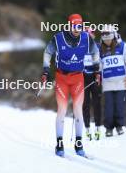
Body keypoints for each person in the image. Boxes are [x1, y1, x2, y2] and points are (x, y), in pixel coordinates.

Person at [42, 14, 99, 157]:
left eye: (80, 26)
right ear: (69, 25)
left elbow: (96, 52)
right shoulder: (58, 38)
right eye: (74, 26)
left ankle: (79, 144)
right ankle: (59, 144)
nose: (77, 29)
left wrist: (97, 69)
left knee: (78, 110)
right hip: (61, 78)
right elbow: (47, 52)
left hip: (78, 78)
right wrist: (45, 70)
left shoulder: (86, 38)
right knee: (62, 109)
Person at [99, 25, 126, 137]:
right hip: (108, 84)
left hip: (121, 83)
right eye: (105, 40)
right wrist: (97, 76)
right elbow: (99, 65)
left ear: (113, 37)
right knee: (109, 108)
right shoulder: (100, 49)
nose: (107, 42)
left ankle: (119, 126)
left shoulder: (122, 46)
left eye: (109, 39)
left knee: (119, 107)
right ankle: (109, 128)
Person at [83, 28, 102, 140]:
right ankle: (87, 129)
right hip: (83, 77)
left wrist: (99, 74)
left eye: (92, 34)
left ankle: (98, 128)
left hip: (96, 76)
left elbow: (102, 61)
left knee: (97, 103)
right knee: (85, 104)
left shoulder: (98, 46)